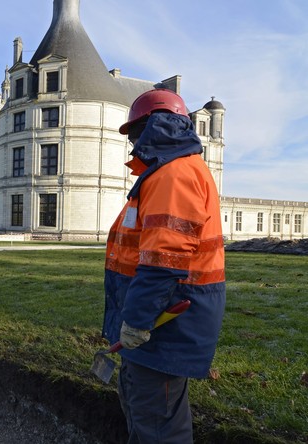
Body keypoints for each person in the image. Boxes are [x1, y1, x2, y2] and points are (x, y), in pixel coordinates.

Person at [102, 88, 226, 443]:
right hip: (158, 319)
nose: (133, 144)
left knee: (158, 425)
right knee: (147, 412)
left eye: (136, 134)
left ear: (156, 125)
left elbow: (163, 260)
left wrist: (138, 321)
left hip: (164, 323)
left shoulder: (172, 175)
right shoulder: (165, 173)